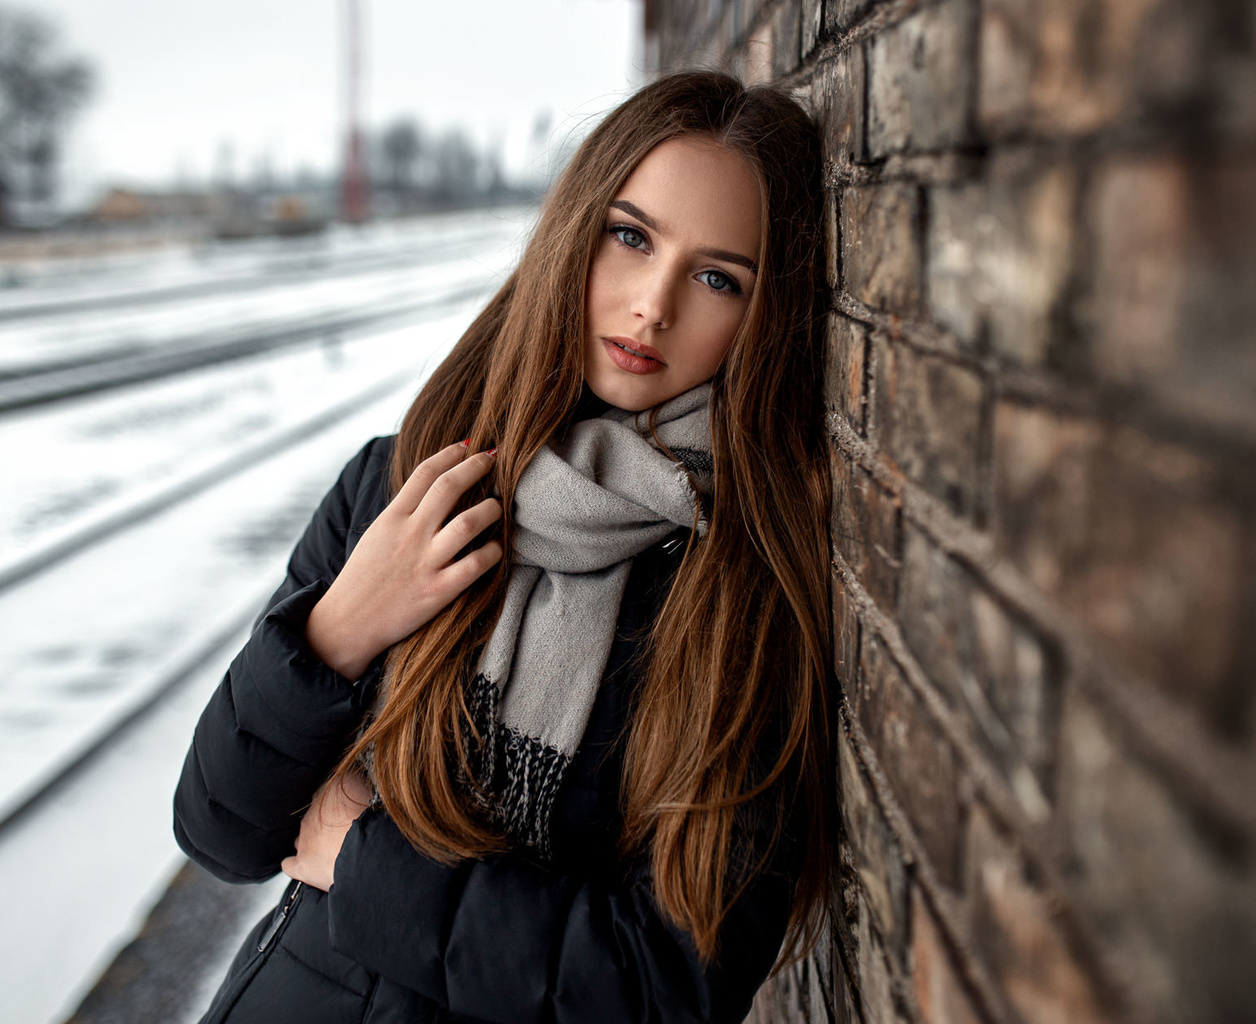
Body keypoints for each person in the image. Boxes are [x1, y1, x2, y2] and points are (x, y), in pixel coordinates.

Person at [174, 70, 833, 1024]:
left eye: (716, 276)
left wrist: (368, 871)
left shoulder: (740, 587)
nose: (653, 306)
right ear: (576, 232)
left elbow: (679, 982)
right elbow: (222, 829)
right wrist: (336, 633)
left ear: (762, 318)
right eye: (632, 236)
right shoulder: (404, 485)